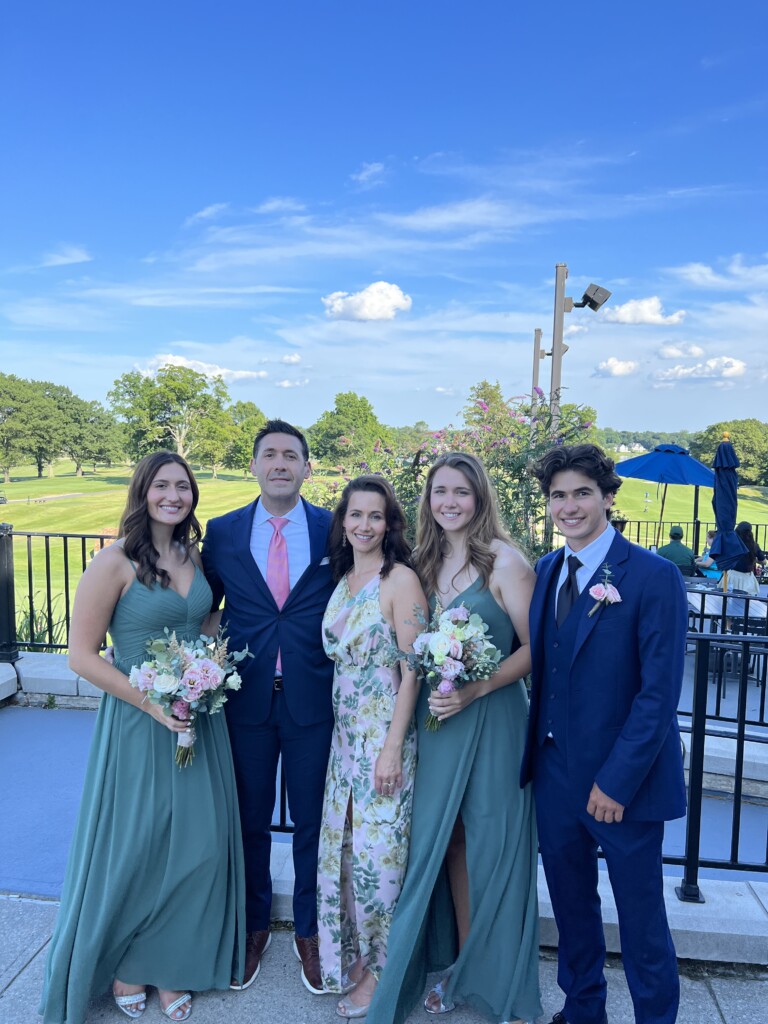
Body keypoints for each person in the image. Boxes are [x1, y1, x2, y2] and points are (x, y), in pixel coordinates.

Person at [40, 452, 245, 1024]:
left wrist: (210, 673)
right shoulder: (114, 562)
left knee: (199, 846)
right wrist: (152, 703)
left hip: (199, 719)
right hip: (137, 721)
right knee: (140, 846)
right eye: (162, 485)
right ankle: (129, 963)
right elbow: (83, 657)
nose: (173, 495)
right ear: (143, 491)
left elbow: (202, 626)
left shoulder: (192, 556)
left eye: (183, 486)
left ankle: (172, 959)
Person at [368, 452, 541, 1024]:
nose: (450, 502)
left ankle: (496, 981)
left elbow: (534, 649)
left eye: (461, 492)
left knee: (492, 846)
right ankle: (459, 962)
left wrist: (475, 689)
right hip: (437, 724)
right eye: (440, 491)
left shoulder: (506, 562)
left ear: (480, 497)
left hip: (490, 718)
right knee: (448, 844)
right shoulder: (422, 562)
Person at [524, 444, 688, 1024]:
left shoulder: (654, 576)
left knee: (641, 918)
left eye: (581, 494)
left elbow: (658, 695)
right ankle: (583, 1009)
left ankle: (655, 1017)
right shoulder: (546, 570)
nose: (568, 507)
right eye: (557, 496)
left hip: (625, 786)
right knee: (572, 909)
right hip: (554, 777)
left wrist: (615, 783)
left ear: (607, 498)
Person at [201, 419, 335, 994]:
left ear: (308, 467)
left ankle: (308, 931)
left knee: (313, 824)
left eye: (291, 455)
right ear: (253, 465)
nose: (280, 464)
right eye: (269, 455)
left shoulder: (336, 529)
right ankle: (255, 926)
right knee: (250, 822)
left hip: (314, 700)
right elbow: (202, 605)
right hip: (245, 701)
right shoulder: (224, 532)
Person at [318, 475, 427, 1018]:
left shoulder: (399, 580)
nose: (364, 525)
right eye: (355, 515)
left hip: (383, 739)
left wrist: (391, 749)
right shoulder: (344, 576)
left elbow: (413, 672)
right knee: (345, 855)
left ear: (390, 523)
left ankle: (385, 970)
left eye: (375, 516)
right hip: (344, 741)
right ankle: (357, 956)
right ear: (343, 521)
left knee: (379, 859)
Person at [697, 521, 765, 595]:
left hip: (732, 576)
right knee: (746, 601)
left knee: (727, 598)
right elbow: (764, 561)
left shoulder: (732, 544)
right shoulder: (754, 546)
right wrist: (754, 559)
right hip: (747, 578)